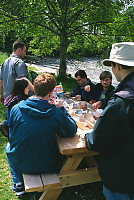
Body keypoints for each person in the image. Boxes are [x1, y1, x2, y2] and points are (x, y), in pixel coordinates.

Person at [5, 73, 77, 196]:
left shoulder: (16, 108)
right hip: (48, 164)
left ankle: (17, 182)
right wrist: (61, 108)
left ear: (34, 89)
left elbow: (13, 133)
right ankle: (18, 181)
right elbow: (71, 131)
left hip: (20, 161)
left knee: (9, 147)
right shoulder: (55, 112)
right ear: (50, 94)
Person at [85, 42, 134, 200]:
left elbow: (97, 141)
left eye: (112, 65)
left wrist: (87, 136)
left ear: (117, 66)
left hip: (122, 178)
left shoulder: (121, 101)